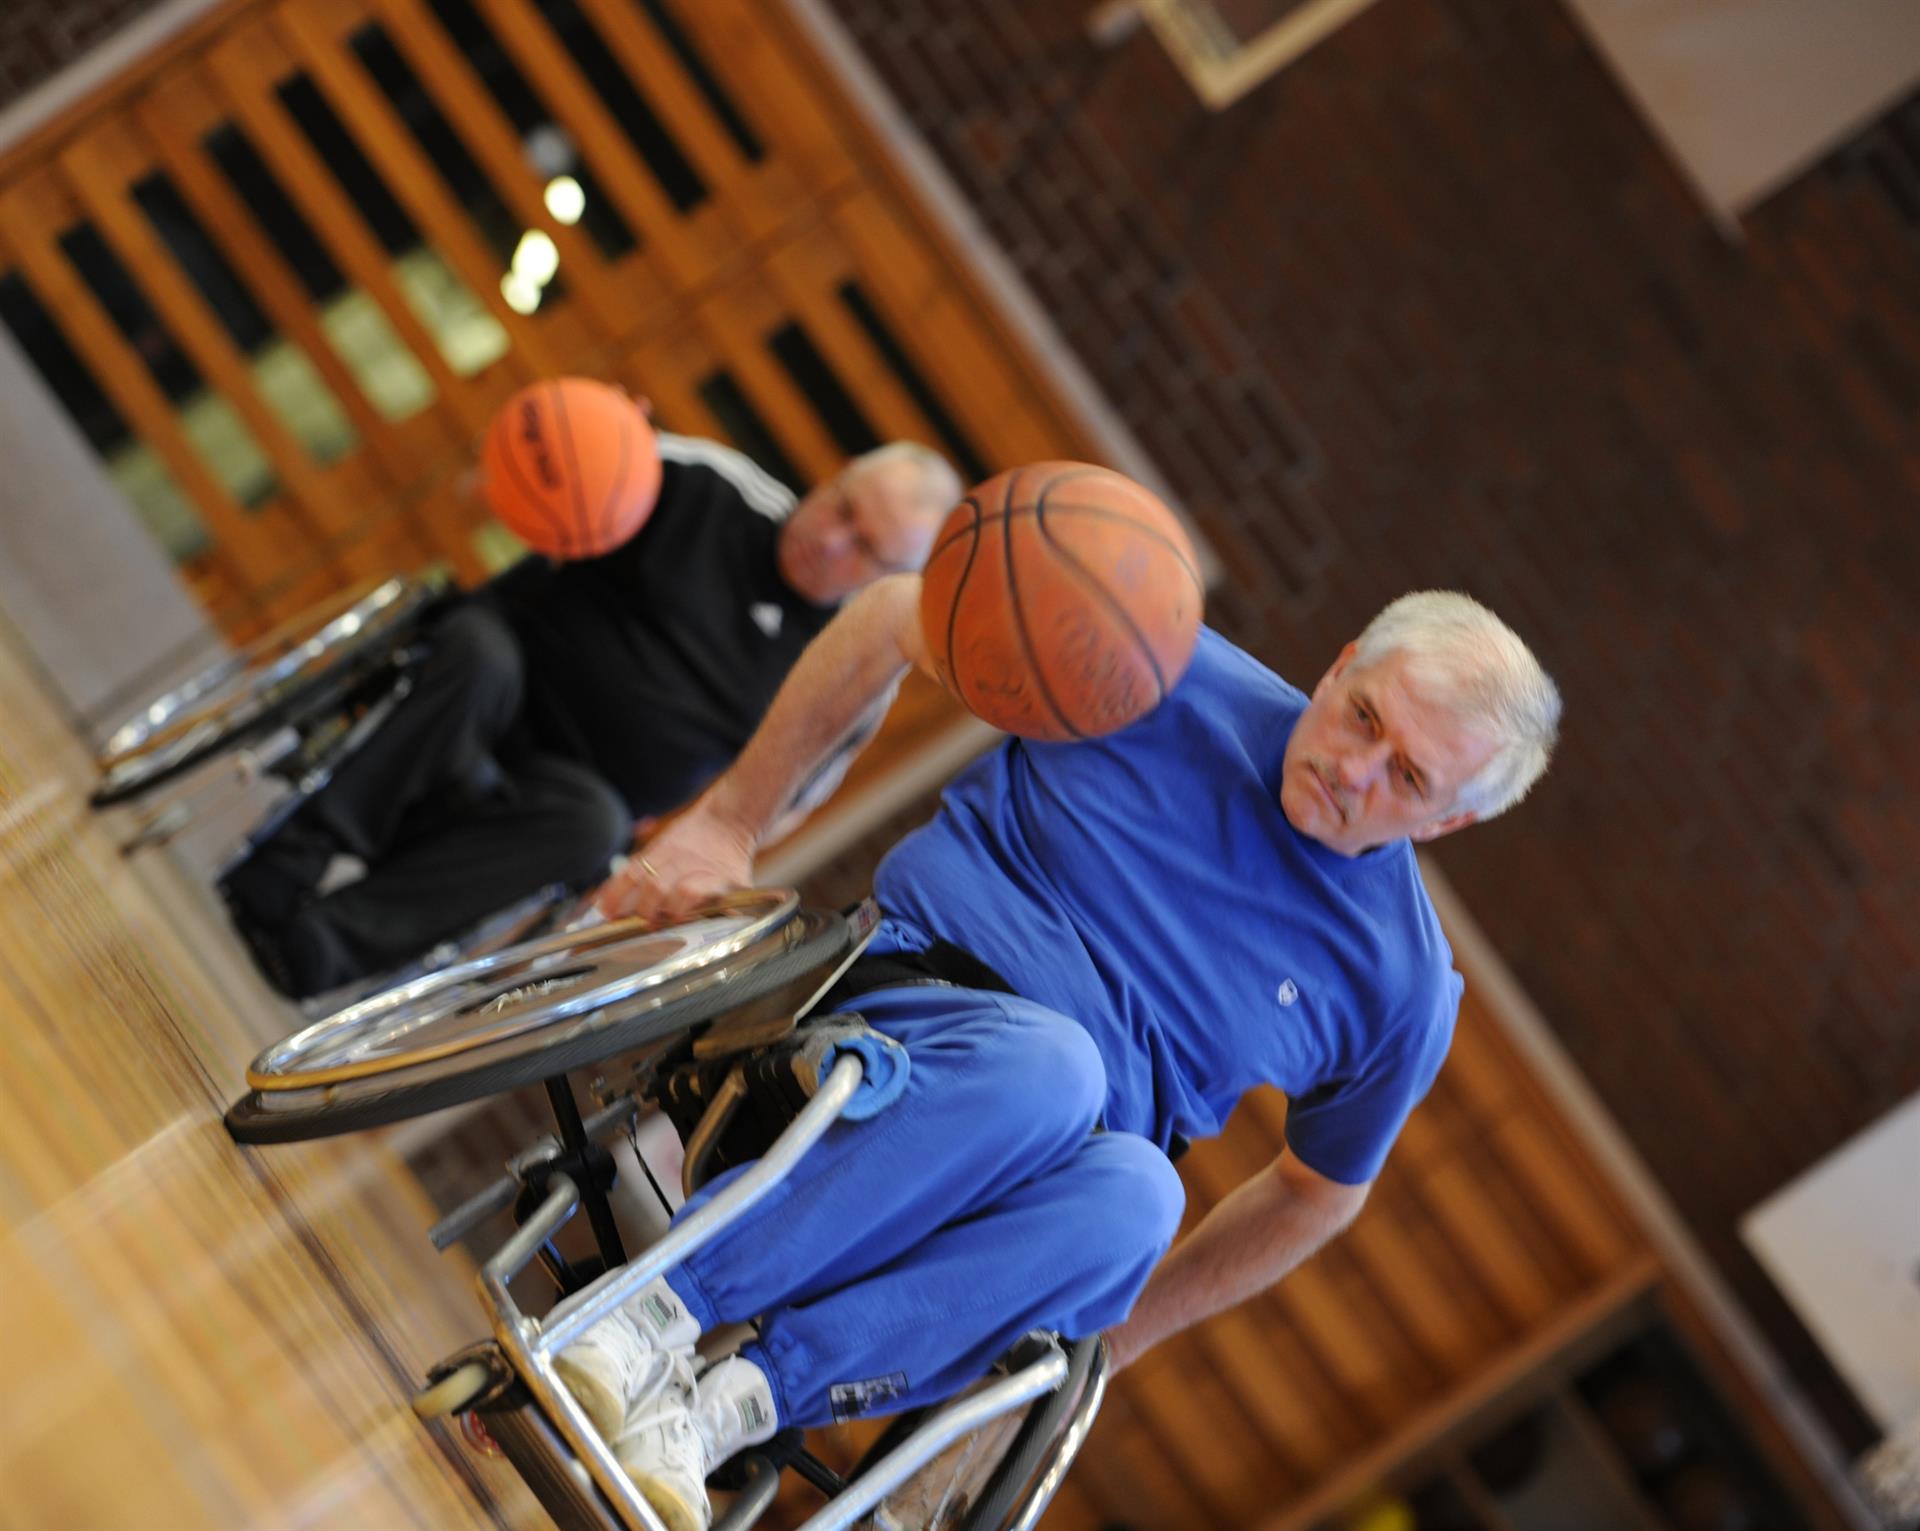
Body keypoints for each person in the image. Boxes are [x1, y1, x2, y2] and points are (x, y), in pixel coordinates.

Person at [545, 573, 1562, 1531]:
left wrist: (1113, 1341)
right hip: (888, 1017)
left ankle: (729, 1405)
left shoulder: (1402, 988)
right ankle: (656, 1314)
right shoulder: (1156, 667)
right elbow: (900, 609)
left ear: (1452, 818)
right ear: (1341, 664)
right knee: (1055, 1069)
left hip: (1035, 1185)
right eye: (1365, 715)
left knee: (1144, 1201)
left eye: (1409, 776)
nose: (1355, 768)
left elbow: (1318, 1194)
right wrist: (727, 821)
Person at [221, 434, 963, 999]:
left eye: (866, 548)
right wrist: (553, 453)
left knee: (593, 826)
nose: (832, 538)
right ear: (832, 478)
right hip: (495, 675)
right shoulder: (703, 483)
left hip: (569, 786)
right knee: (479, 654)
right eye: (841, 504)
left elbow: (782, 807)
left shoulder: (847, 670)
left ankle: (317, 948)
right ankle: (285, 861)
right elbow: (527, 477)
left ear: (892, 579)